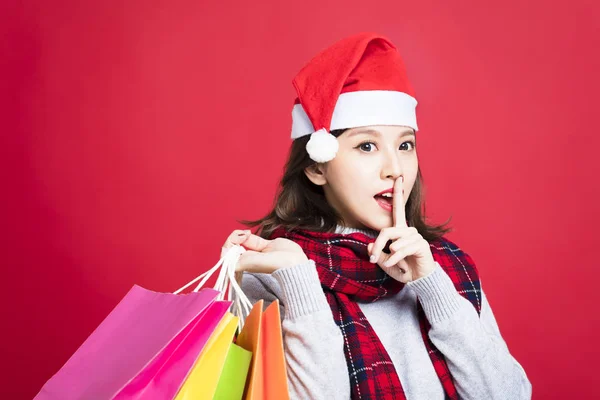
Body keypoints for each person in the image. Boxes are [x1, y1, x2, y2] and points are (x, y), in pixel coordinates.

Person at [221, 32, 532, 400]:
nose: (395, 169)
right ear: (317, 166)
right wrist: (299, 283)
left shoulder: (445, 266)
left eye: (405, 145)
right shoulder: (277, 272)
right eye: (366, 146)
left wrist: (432, 286)